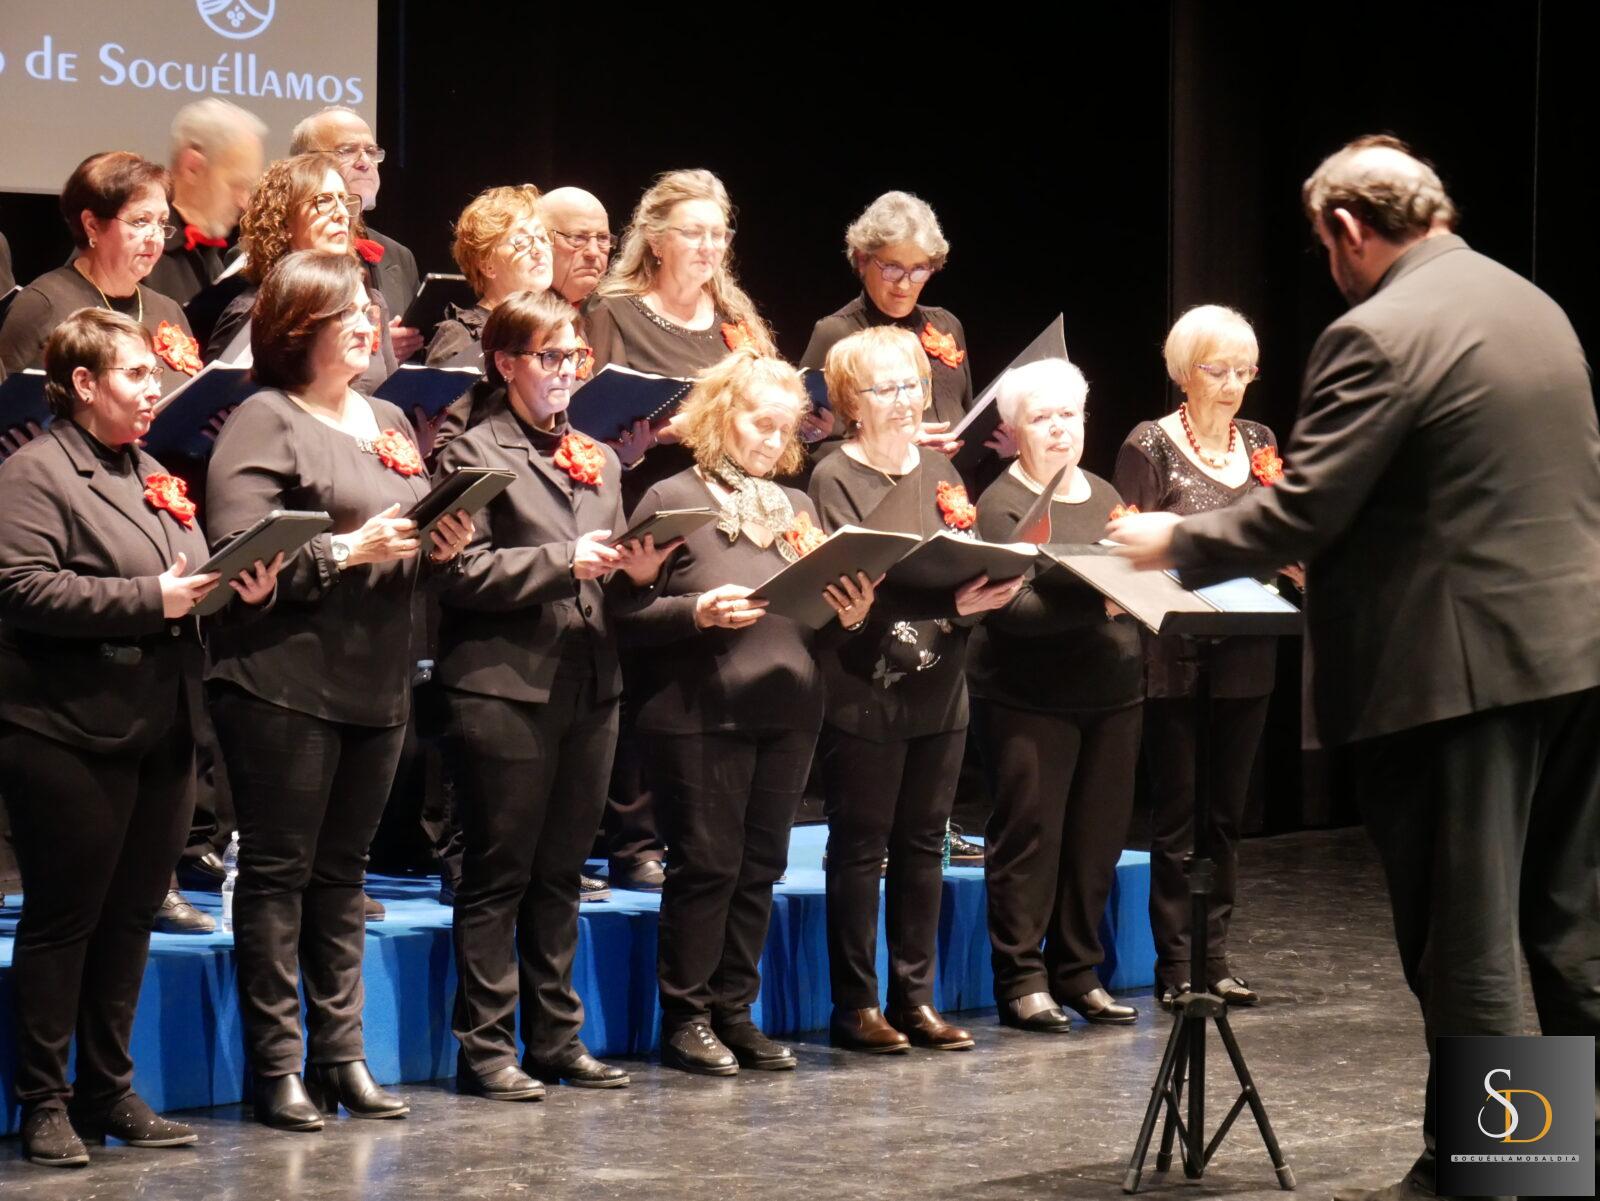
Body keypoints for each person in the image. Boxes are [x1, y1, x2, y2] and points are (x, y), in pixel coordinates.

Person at [1109, 135, 1600, 1201]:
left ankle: (1507, 1177)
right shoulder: (1532, 306)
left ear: (1345, 229)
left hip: (1457, 676)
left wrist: (1170, 539)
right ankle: (1523, 1161)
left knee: (1467, 944)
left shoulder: (1378, 330)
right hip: (1571, 658)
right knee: (1565, 927)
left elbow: (1307, 507)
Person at [0, 310, 279, 1167]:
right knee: (65, 918)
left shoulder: (154, 471)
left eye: (155, 375)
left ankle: (107, 1087)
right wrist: (147, 598)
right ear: (83, 383)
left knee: (130, 916)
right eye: (135, 374)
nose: (154, 389)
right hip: (65, 728)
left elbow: (189, 585)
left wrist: (243, 590)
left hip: (161, 723)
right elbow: (18, 587)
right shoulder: (34, 471)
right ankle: (43, 1100)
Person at [204, 250, 472, 1132]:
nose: (367, 321)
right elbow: (238, 556)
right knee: (279, 873)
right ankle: (277, 1066)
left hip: (376, 677)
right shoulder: (264, 418)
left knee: (343, 875)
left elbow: (408, 533)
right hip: (282, 679)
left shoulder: (386, 417)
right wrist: (345, 550)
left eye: (367, 307)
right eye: (347, 311)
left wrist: (438, 543)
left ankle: (342, 1055)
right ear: (298, 327)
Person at [435, 290, 677, 1099]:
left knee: (562, 870)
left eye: (575, 356)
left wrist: (639, 573)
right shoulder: (472, 453)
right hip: (503, 685)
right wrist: (560, 561)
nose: (566, 370)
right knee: (499, 870)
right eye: (550, 356)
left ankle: (556, 1038)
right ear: (506, 363)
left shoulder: (598, 456)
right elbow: (458, 573)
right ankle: (485, 1047)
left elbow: (611, 579)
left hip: (589, 681)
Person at [615, 349, 876, 1075]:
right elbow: (622, 614)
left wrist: (851, 614)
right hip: (699, 713)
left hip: (788, 710)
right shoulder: (671, 497)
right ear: (722, 415)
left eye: (785, 428)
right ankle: (687, 1018)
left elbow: (814, 622)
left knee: (759, 866)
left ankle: (735, 1011)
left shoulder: (797, 507)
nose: (773, 439)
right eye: (762, 422)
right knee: (706, 866)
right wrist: (694, 611)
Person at [808, 327, 1021, 1053]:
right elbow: (850, 583)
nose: (903, 400)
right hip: (865, 682)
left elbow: (959, 557)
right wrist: (946, 602)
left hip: (941, 681)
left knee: (925, 844)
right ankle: (856, 1005)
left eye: (911, 385)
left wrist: (979, 591)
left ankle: (916, 997)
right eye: (884, 388)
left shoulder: (939, 469)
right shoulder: (834, 475)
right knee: (860, 846)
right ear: (850, 403)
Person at [587, 169, 782, 890]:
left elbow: (766, 394)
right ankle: (634, 835)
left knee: (711, 657)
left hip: (728, 505)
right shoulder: (614, 312)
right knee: (648, 654)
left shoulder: (735, 319)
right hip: (647, 495)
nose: (708, 247)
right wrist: (656, 431)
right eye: (692, 233)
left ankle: (696, 828)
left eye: (717, 235)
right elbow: (581, 412)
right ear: (655, 239)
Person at [1112, 304, 1285, 1011]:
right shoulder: (1149, 444)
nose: (1233, 385)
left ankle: (1216, 957)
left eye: (1245, 371)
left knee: (1225, 816)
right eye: (1218, 370)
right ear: (1185, 372)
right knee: (1179, 816)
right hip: (1177, 652)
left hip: (1247, 648)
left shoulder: (1261, 440)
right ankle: (1176, 963)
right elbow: (1130, 550)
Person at [971, 358, 1144, 1032]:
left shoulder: (1103, 493)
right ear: (1015, 430)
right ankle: (1021, 979)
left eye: (1068, 415)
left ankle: (1078, 971)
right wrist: (1102, 605)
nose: (1058, 429)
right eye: (1041, 418)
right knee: (1030, 840)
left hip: (1114, 694)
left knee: (1096, 843)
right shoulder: (1001, 503)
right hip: (1029, 700)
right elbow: (1012, 610)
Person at [801, 192, 984, 463]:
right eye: (892, 268)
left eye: (919, 270)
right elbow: (809, 445)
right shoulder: (836, 333)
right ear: (862, 260)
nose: (904, 284)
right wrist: (893, 445)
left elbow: (967, 414)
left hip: (955, 482)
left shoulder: (947, 325)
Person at [0, 153, 202, 396]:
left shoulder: (169, 310)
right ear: (92, 225)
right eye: (141, 221)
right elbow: (9, 406)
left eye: (161, 222)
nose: (156, 237)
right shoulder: (42, 305)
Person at [207, 153, 399, 398]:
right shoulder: (256, 308)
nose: (342, 213)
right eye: (324, 201)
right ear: (284, 221)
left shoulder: (369, 303)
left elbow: (391, 397)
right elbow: (216, 401)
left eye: (344, 201)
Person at [289, 106, 422, 360]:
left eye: (371, 152)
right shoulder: (270, 250)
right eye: (347, 150)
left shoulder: (399, 256)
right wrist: (374, 347)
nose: (365, 162)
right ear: (305, 164)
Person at [143, 99, 267, 313]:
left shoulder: (215, 259)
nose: (244, 202)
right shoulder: (138, 251)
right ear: (192, 167)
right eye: (236, 185)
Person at [425, 185, 552, 372]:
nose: (539, 249)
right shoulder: (461, 336)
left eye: (542, 237)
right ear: (487, 265)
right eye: (521, 242)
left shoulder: (560, 328)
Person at [541, 187, 613, 307]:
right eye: (578, 237)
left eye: (602, 238)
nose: (593, 252)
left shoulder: (613, 311)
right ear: (542, 239)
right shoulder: (515, 314)